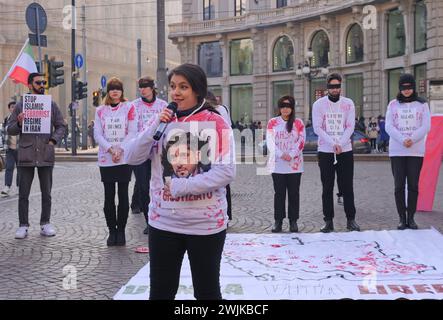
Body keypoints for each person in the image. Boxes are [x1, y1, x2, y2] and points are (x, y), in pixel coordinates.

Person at [124, 63, 235, 300]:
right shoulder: (162, 121)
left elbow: (226, 172)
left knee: (207, 293)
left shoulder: (216, 121)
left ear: (197, 90)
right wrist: (155, 124)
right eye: (173, 86)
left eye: (183, 87)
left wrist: (180, 186)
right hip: (164, 224)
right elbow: (132, 156)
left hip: (205, 226)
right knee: (161, 293)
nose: (176, 92)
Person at [7, 73, 65, 239]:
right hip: (26, 154)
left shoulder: (51, 104)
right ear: (30, 84)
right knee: (23, 193)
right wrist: (18, 123)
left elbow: (61, 125)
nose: (42, 85)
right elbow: (10, 129)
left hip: (45, 153)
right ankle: (23, 225)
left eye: (44, 82)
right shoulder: (21, 105)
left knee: (46, 192)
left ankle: (45, 223)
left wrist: (53, 140)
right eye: (39, 82)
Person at [312, 73, 360, 233]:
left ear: (340, 86)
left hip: (345, 150)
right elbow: (318, 127)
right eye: (332, 86)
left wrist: (341, 143)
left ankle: (351, 219)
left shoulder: (348, 103)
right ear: (327, 88)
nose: (335, 89)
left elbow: (350, 126)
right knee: (327, 187)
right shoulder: (319, 104)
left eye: (337, 86)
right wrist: (333, 143)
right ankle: (328, 220)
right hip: (326, 151)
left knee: (347, 186)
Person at [94, 77, 137, 246]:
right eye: (112, 88)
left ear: (122, 91)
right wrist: (111, 149)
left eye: (118, 88)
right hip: (107, 158)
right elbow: (98, 134)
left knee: (123, 195)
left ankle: (121, 231)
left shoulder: (129, 107)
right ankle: (112, 231)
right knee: (109, 196)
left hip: (124, 157)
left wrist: (120, 150)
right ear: (108, 92)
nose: (115, 91)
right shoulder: (100, 111)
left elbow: (133, 132)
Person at [385, 73, 431, 230]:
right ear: (399, 88)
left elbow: (426, 125)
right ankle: (401, 217)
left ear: (413, 87)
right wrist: (402, 139)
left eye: (409, 87)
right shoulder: (392, 104)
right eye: (403, 88)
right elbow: (388, 126)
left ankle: (411, 217)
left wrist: (412, 138)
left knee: (413, 185)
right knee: (398, 186)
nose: (406, 91)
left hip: (415, 150)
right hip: (397, 150)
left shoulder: (422, 104)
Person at [131, 76, 168, 234]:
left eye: (145, 86)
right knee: (143, 187)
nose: (143, 89)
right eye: (140, 86)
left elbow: (168, 126)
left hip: (159, 153)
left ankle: (162, 216)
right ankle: (149, 220)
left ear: (152, 87)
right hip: (141, 153)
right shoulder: (133, 106)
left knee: (160, 186)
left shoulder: (163, 105)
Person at [266, 95, 305, 233]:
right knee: (279, 194)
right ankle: (278, 221)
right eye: (282, 106)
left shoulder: (298, 123)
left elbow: (301, 141)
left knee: (294, 194)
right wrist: (282, 154)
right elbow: (270, 142)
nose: (285, 109)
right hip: (278, 165)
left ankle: (293, 221)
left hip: (295, 166)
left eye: (288, 106)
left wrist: (292, 154)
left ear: (292, 108)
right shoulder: (272, 122)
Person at [206, 91, 233, 222]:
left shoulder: (216, 111)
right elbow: (229, 127)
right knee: (225, 185)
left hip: (212, 148)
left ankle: (219, 214)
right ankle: (227, 215)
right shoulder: (223, 109)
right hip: (221, 147)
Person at [1, 101, 19, 197]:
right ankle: (7, 187)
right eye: (12, 107)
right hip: (9, 148)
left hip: (20, 148)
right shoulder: (6, 119)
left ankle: (19, 187)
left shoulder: (21, 118)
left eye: (15, 107)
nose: (14, 108)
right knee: (9, 168)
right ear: (9, 108)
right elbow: (3, 134)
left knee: (20, 168)